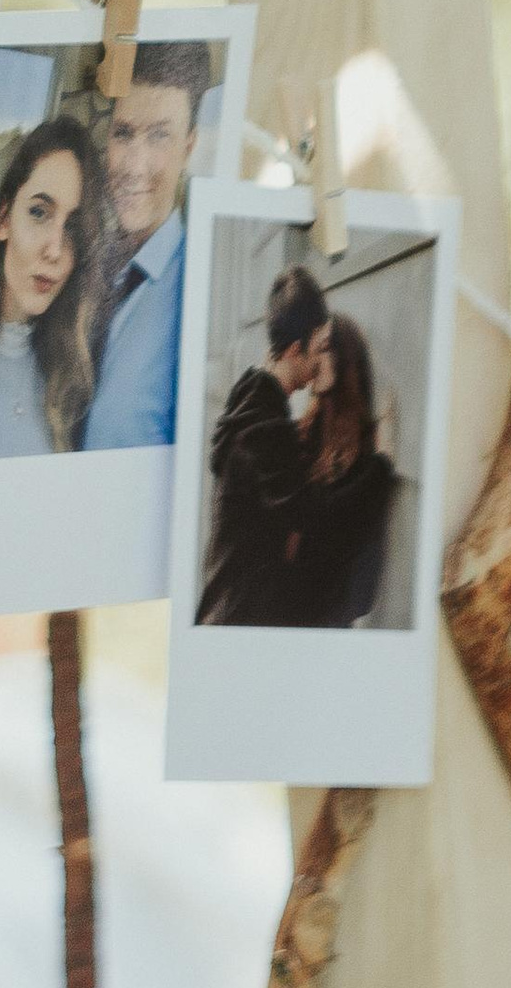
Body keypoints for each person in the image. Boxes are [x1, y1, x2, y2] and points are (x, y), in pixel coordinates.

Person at [0, 116, 101, 461]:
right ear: (4, 219)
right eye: (39, 212)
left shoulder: (70, 379)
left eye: (72, 228)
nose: (54, 249)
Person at [79, 42, 212, 452]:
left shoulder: (200, 292)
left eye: (159, 137)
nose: (134, 166)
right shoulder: (83, 270)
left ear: (188, 147)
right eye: (124, 134)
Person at [196, 260, 332, 627]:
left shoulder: (250, 402)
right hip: (240, 622)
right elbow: (305, 528)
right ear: (292, 350)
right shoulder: (267, 430)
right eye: (319, 348)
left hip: (221, 610)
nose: (322, 362)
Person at [285, 310, 401, 629]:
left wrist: (381, 467)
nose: (310, 356)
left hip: (325, 619)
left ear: (343, 356)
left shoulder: (364, 444)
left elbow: (330, 525)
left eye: (322, 348)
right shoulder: (304, 431)